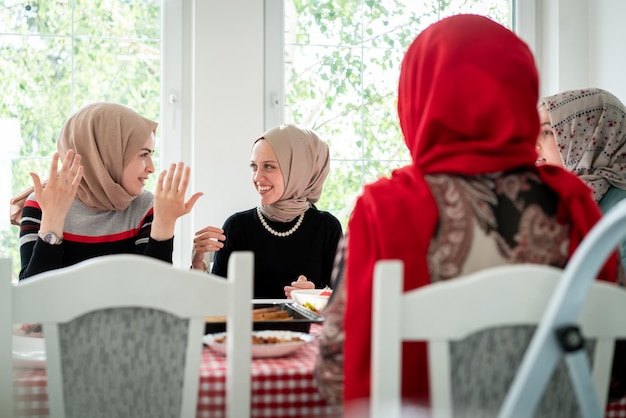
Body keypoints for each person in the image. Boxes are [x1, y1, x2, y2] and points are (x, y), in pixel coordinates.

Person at [314, 14, 620, 415]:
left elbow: (336, 374)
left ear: (417, 98)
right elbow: (611, 372)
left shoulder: (383, 209)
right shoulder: (574, 205)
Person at [17, 102, 202, 280]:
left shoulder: (145, 207)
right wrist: (53, 220)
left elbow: (154, 299)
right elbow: (32, 297)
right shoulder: (42, 203)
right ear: (108, 155)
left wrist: (164, 224)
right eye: (144, 154)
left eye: (151, 155)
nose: (151, 168)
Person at [191, 123, 343, 299]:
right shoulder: (237, 227)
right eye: (254, 166)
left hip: (307, 327)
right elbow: (214, 302)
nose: (257, 177)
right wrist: (196, 263)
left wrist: (314, 295)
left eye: (269, 166)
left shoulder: (326, 228)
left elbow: (344, 305)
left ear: (298, 170)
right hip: (246, 328)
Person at [536, 88, 626, 268]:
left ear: (591, 136)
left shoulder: (621, 212)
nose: (534, 142)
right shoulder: (556, 196)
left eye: (547, 132)